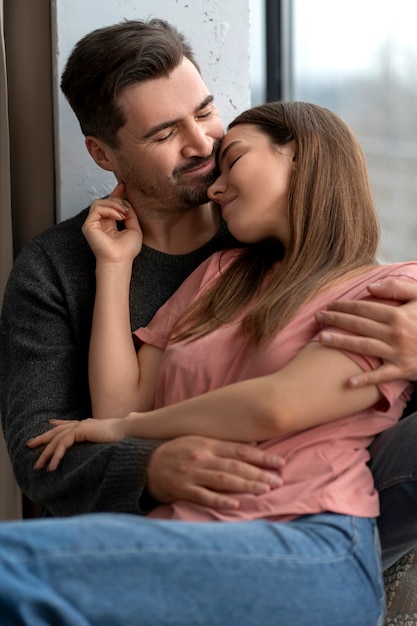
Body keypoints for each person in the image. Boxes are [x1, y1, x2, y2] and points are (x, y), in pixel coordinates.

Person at [0, 19, 416, 568]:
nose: (204, 145)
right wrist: (149, 468)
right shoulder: (54, 268)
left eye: (204, 112)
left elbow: (347, 366)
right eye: (164, 133)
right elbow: (40, 453)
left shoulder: (263, 232)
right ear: (103, 154)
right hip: (148, 534)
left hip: (307, 519)